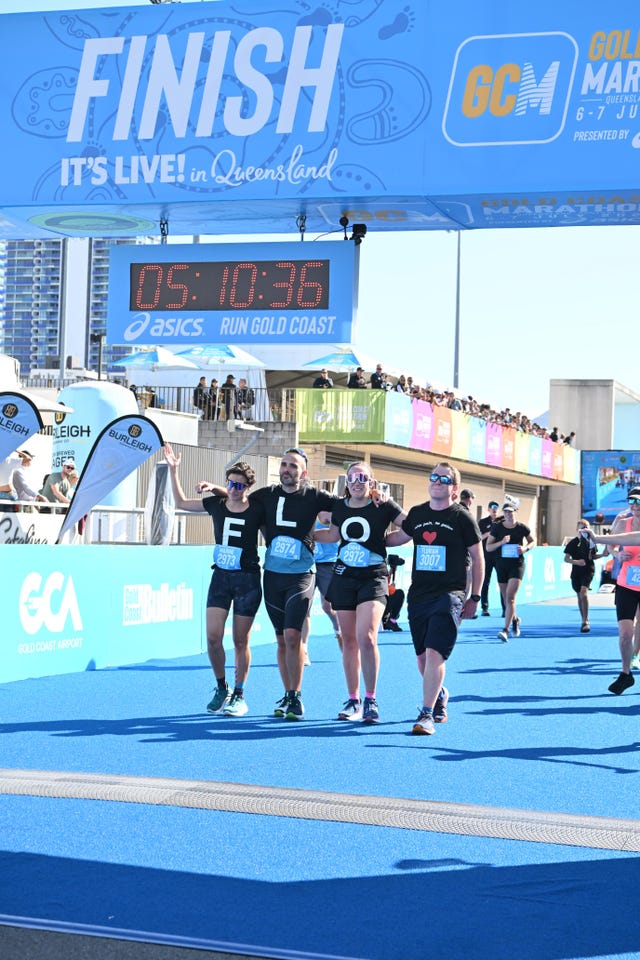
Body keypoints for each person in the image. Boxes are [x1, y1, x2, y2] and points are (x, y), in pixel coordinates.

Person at [202, 447, 339, 721]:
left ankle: (296, 697)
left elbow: (347, 507)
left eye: (293, 466)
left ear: (304, 473)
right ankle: (287, 694)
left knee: (292, 636)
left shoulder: (315, 496)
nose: (287, 469)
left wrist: (324, 532)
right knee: (280, 640)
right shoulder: (267, 494)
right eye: (285, 464)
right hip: (272, 574)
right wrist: (218, 487)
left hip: (301, 575)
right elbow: (237, 496)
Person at [164, 444, 265, 717]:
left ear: (248, 488)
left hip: (248, 579)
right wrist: (174, 471)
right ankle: (222, 687)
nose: (234, 488)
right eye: (231, 483)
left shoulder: (257, 509)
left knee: (241, 640)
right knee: (212, 637)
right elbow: (182, 502)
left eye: (241, 486)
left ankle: (240, 694)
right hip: (220, 577)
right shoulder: (215, 505)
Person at [385, 462, 484, 735]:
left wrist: (474, 596)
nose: (437, 481)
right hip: (419, 596)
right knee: (421, 659)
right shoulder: (417, 514)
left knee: (434, 653)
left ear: (454, 488)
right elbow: (399, 537)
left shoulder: (462, 517)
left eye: (444, 478)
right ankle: (439, 695)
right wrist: (369, 536)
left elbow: (478, 559)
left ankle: (426, 713)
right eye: (434, 476)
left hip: (450, 595)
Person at [316, 461, 406, 724]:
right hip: (344, 576)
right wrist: (305, 535)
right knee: (349, 640)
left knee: (367, 636)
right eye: (353, 477)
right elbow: (333, 535)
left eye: (363, 477)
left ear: (371, 482)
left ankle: (371, 699)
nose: (357, 481)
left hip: (373, 576)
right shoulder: (339, 507)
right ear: (346, 481)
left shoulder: (383, 505)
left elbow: (410, 526)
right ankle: (353, 699)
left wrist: (387, 540)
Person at [584, 490, 640, 695]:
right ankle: (626, 673)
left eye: (639, 500)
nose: (635, 504)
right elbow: (612, 547)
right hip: (627, 584)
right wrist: (618, 554)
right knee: (626, 633)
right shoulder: (621, 522)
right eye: (631, 501)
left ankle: (636, 655)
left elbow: (635, 538)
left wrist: (597, 536)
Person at [486, 499, 535, 642]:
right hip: (501, 565)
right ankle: (514, 620)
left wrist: (525, 548)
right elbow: (488, 547)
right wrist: (501, 542)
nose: (508, 514)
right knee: (506, 599)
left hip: (517, 565)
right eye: (505, 511)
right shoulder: (497, 528)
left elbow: (533, 541)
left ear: (515, 512)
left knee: (510, 597)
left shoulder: (522, 528)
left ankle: (505, 630)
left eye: (510, 511)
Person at [301, 518, 343, 666]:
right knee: (305, 608)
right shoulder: (308, 510)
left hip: (329, 564)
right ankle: (304, 649)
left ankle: (339, 630)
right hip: (308, 564)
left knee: (328, 607)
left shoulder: (331, 512)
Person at [563, 519, 602, 633]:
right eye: (582, 527)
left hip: (588, 570)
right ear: (577, 530)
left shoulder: (591, 542)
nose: (584, 529)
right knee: (579, 595)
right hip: (576, 572)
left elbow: (593, 556)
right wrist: (577, 562)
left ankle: (586, 621)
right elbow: (566, 559)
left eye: (586, 527)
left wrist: (603, 555)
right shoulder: (573, 542)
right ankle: (583, 619)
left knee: (584, 593)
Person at [478, 500, 504, 616]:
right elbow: (477, 538)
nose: (494, 510)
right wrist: (488, 534)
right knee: (485, 582)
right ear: (488, 509)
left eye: (496, 508)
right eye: (492, 508)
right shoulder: (483, 522)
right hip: (486, 556)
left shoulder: (502, 522)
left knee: (502, 582)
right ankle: (485, 607)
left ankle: (505, 608)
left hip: (499, 556)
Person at [382, 554, 405, 631]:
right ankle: (391, 620)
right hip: (378, 599)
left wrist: (391, 572)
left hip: (377, 599)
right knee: (399, 594)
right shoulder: (377, 566)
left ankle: (386, 620)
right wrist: (391, 587)